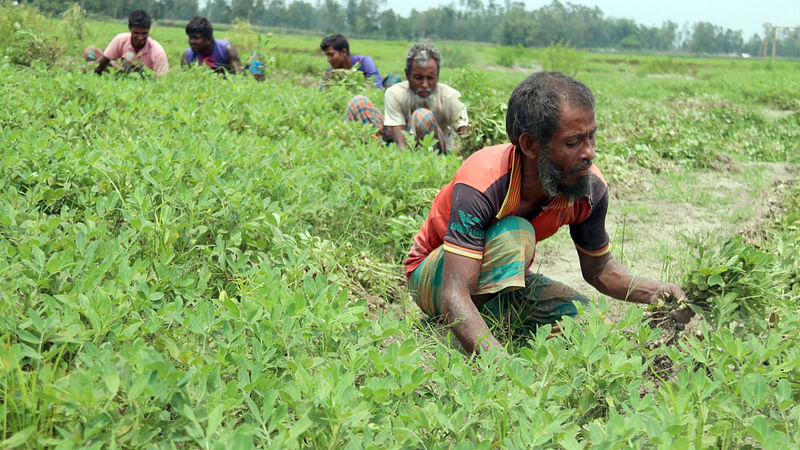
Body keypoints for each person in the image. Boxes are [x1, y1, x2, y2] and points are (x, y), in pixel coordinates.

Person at [404, 71, 693, 354]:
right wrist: (500, 367)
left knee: (592, 325)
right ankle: (465, 331)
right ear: (530, 145)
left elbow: (600, 270)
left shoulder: (589, 188)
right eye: (573, 142)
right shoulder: (483, 181)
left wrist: (655, 291)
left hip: (509, 282)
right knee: (514, 235)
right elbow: (454, 294)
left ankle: (498, 321)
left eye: (591, 138)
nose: (589, 152)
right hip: (437, 278)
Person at [345, 43, 469, 155]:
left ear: (437, 75)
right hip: (401, 146)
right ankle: (371, 155)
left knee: (422, 116)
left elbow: (466, 137)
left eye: (430, 78)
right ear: (407, 75)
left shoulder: (450, 97)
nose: (425, 85)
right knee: (358, 102)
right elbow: (402, 142)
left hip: (436, 154)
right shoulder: (395, 93)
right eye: (418, 78)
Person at [84, 10, 169, 78]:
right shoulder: (121, 39)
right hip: (122, 71)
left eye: (144, 34)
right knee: (90, 51)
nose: (140, 37)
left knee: (129, 57)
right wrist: (93, 71)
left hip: (144, 78)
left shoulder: (157, 51)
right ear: (130, 28)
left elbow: (162, 79)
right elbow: (105, 60)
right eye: (136, 33)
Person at [321, 34, 385, 89]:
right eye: (327, 56)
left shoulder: (364, 62)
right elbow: (322, 91)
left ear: (343, 52)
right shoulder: (331, 72)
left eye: (331, 55)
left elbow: (376, 87)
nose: (328, 59)